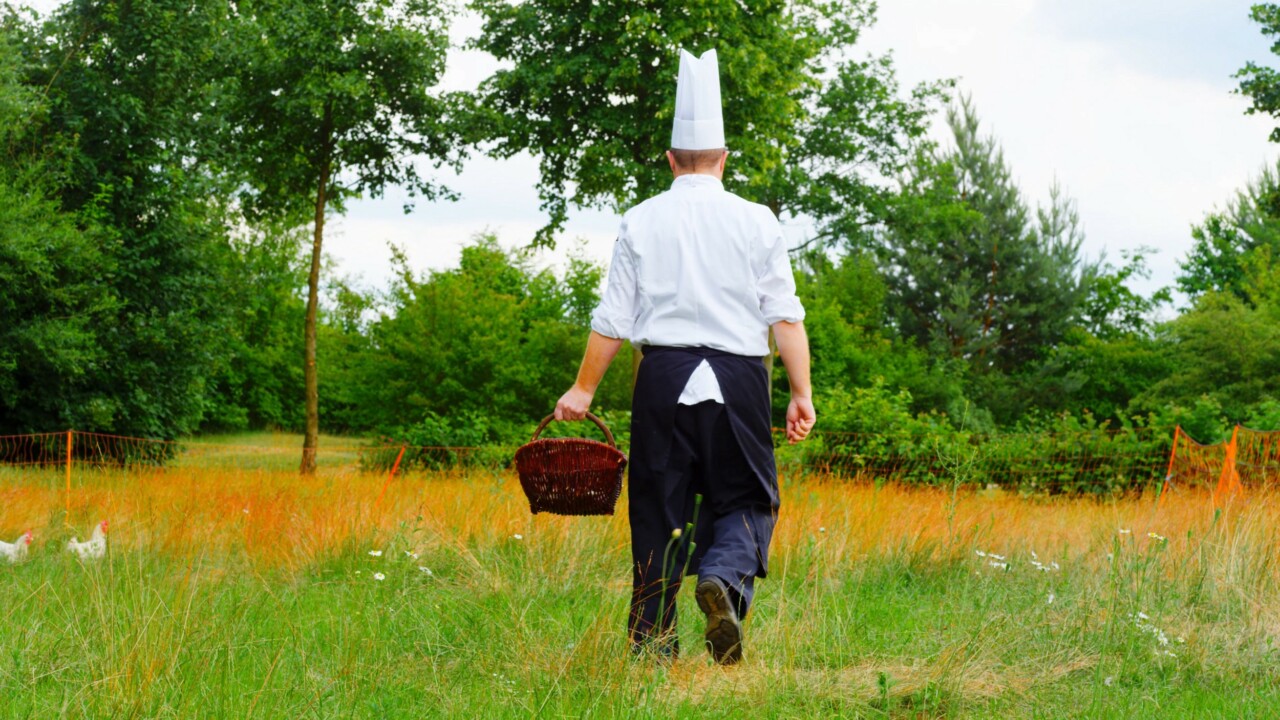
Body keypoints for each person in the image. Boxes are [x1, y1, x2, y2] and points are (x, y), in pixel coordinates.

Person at [554, 48, 815, 665]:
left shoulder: (641, 219)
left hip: (663, 377)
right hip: (741, 380)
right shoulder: (757, 221)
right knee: (749, 498)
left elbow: (613, 319)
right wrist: (801, 394)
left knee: (657, 506)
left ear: (671, 160)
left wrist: (582, 391)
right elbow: (785, 314)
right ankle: (723, 577)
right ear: (724, 159)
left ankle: (651, 645)